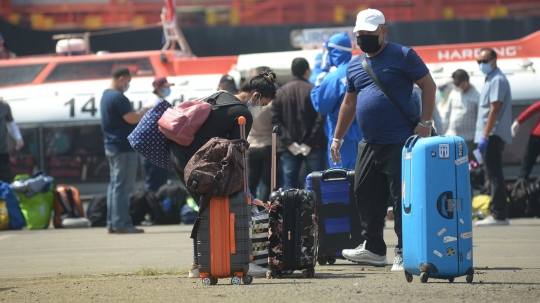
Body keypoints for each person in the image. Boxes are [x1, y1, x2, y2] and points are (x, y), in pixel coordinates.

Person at [331, 8, 436, 271]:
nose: (363, 38)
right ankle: (374, 249)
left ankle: (404, 251)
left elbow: (429, 85)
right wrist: (337, 139)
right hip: (369, 142)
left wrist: (425, 123)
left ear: (383, 31)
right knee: (364, 192)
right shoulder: (355, 64)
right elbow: (349, 102)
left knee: (402, 199)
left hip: (402, 141)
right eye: (359, 34)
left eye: (369, 33)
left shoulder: (403, 55)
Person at [168, 70, 277, 278]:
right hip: (195, 161)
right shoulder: (242, 114)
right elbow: (236, 156)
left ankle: (200, 264)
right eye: (262, 104)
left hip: (178, 154)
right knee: (235, 204)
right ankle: (243, 260)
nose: (260, 109)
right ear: (255, 95)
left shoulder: (222, 95)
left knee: (205, 207)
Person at [100, 67, 152, 234]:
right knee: (123, 187)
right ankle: (122, 223)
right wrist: (145, 110)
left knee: (115, 186)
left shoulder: (105, 96)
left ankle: (113, 223)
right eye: (128, 82)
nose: (127, 85)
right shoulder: (118, 97)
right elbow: (131, 118)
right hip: (123, 148)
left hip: (111, 146)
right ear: (121, 79)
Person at [271, 58, 327, 190]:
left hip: (289, 148)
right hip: (314, 146)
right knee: (316, 185)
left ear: (291, 71)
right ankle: (316, 210)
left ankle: (290, 211)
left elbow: (275, 121)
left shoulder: (279, 93)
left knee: (289, 185)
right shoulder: (313, 90)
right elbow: (320, 118)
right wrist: (309, 142)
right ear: (307, 72)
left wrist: (289, 143)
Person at [311, 33, 363, 169]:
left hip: (341, 139)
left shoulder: (333, 78)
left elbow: (321, 106)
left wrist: (319, 75)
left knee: (343, 181)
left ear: (332, 52)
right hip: (365, 135)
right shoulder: (361, 69)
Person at [474, 48, 513, 227]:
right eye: (479, 62)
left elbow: (494, 109)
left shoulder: (497, 80)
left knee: (495, 175)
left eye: (484, 61)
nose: (481, 65)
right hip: (490, 134)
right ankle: (498, 213)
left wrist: (485, 135)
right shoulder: (491, 78)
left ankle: (499, 215)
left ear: (494, 60)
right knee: (493, 174)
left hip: (491, 134)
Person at [140, 76, 172, 194]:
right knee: (154, 186)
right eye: (165, 87)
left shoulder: (157, 100)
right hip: (152, 149)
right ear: (158, 88)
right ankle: (152, 209)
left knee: (158, 183)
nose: (168, 89)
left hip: (156, 149)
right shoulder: (153, 102)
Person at [246, 66, 274, 202]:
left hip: (251, 145)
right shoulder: (271, 102)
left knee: (251, 181)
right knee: (266, 183)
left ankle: (250, 208)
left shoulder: (248, 102)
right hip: (268, 144)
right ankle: (264, 210)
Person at [441, 69, 480, 161]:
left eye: (458, 84)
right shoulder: (454, 93)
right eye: (454, 84)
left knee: (468, 164)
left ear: (465, 81)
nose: (456, 86)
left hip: (469, 139)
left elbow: (480, 119)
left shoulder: (477, 95)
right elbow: (447, 113)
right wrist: (442, 133)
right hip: (452, 136)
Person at [512, 101, 540, 181]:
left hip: (536, 136)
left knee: (526, 167)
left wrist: (518, 121)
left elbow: (532, 109)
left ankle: (520, 186)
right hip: (536, 136)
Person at [0, 100, 24, 183]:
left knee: (4, 183)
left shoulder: (3, 106)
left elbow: (11, 123)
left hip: (2, 152)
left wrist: (18, 138)